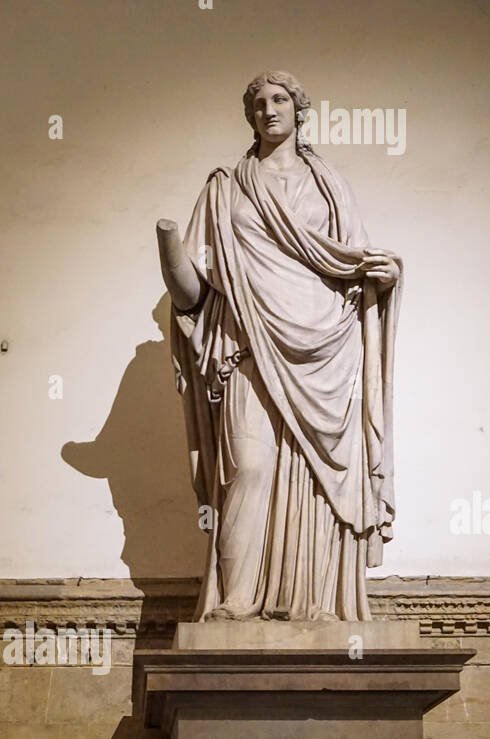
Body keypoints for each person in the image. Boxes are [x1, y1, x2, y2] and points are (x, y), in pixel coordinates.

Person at [157, 70, 402, 622]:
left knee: (319, 477)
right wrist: (169, 246)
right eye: (259, 103)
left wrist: (385, 276)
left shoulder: (330, 184)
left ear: (298, 109)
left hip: (328, 351)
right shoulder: (224, 188)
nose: (269, 110)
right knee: (248, 466)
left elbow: (353, 263)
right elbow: (193, 292)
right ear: (249, 116)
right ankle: (236, 597)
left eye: (280, 99)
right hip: (247, 343)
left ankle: (313, 602)